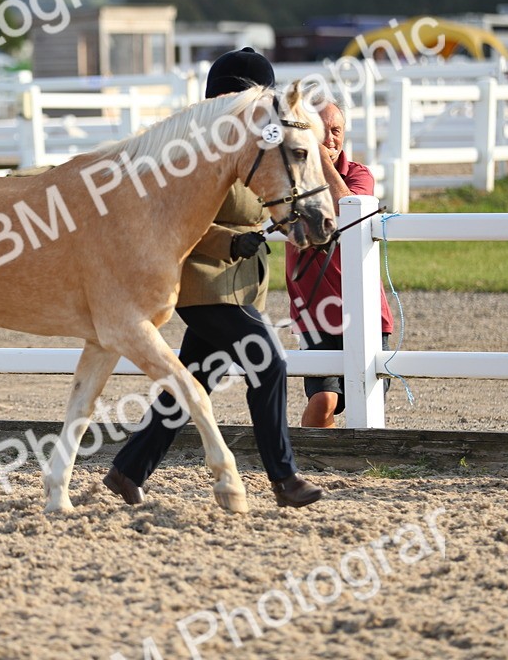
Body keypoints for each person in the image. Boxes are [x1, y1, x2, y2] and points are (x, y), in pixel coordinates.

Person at [102, 48, 324, 509]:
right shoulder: (195, 147)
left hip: (242, 283)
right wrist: (227, 242)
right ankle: (283, 478)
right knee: (269, 362)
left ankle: (128, 471)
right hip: (204, 282)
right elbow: (175, 218)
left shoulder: (254, 142)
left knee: (194, 382)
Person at [286, 101, 394, 427]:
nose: (330, 140)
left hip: (365, 312)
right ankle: (305, 463)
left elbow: (347, 208)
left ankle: (352, 464)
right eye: (322, 131)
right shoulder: (287, 177)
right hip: (314, 313)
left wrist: (321, 160)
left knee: (366, 400)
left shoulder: (360, 174)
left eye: (336, 131)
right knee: (323, 401)